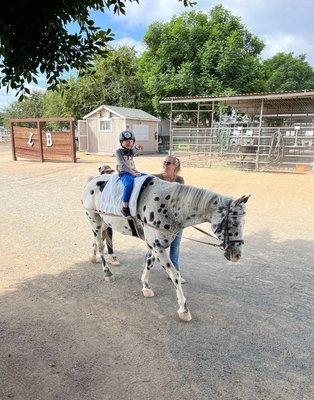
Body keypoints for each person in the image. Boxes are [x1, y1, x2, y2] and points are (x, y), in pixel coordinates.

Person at [146, 156, 186, 283]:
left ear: (175, 166)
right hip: (160, 220)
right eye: (164, 162)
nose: (165, 164)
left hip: (176, 219)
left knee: (175, 247)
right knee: (153, 247)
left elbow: (181, 197)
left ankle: (175, 273)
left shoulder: (180, 180)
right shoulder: (156, 177)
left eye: (168, 163)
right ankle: (146, 267)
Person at [115, 130, 143, 217]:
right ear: (121, 142)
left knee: (146, 177)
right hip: (125, 173)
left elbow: (135, 150)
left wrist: (137, 147)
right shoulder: (119, 151)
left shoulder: (130, 151)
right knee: (128, 184)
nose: (129, 143)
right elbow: (122, 165)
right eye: (126, 141)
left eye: (131, 141)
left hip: (133, 171)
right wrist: (132, 172)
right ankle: (125, 206)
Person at [98, 164, 120, 266]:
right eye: (107, 172)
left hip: (108, 213)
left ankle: (109, 254)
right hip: (99, 214)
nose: (109, 174)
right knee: (101, 233)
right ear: (102, 173)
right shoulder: (98, 183)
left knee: (108, 233)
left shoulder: (112, 183)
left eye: (110, 172)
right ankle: (106, 254)